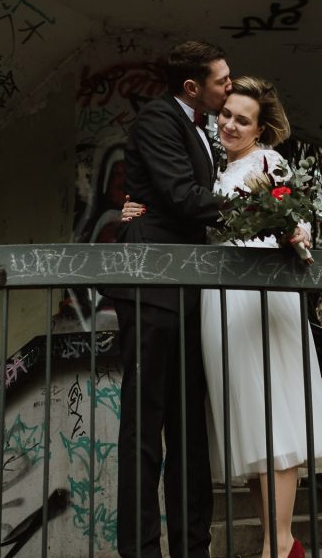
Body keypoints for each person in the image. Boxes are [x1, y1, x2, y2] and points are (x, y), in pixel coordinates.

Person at [122, 76, 322, 558]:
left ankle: (279, 544)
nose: (229, 124)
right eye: (226, 115)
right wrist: (135, 208)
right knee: (247, 425)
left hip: (260, 307)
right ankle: (279, 541)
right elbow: (185, 206)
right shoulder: (215, 173)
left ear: (261, 129)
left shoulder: (269, 163)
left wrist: (295, 233)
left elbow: (296, 217)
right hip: (221, 311)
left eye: (243, 120)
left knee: (274, 419)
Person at [104, 40, 231, 558]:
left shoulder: (201, 127)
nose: (229, 84)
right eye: (221, 79)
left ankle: (192, 549)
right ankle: (141, 551)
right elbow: (180, 196)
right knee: (144, 431)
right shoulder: (159, 119)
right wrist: (258, 207)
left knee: (187, 434)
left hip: (187, 290)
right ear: (191, 87)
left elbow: (177, 197)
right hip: (153, 287)